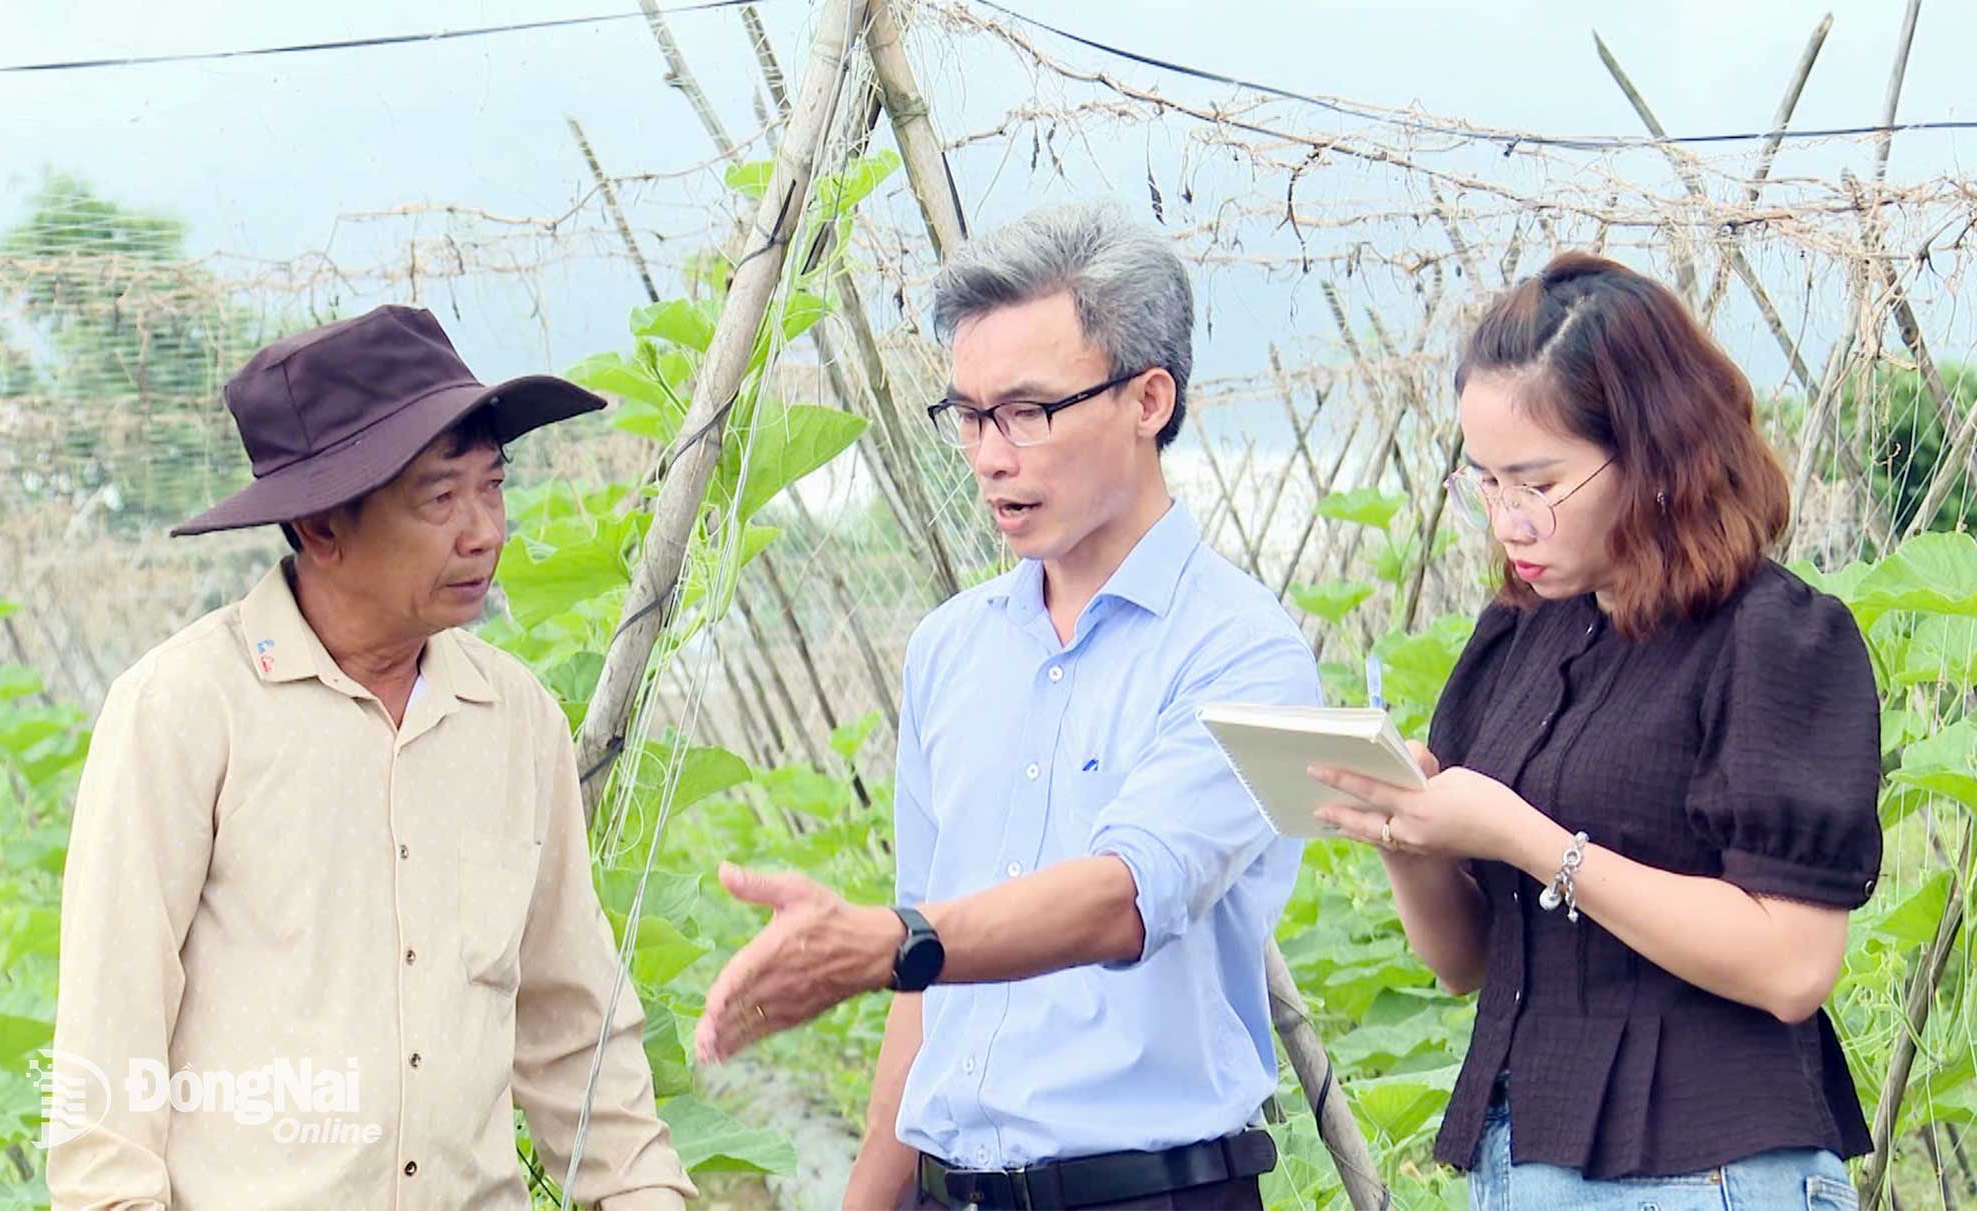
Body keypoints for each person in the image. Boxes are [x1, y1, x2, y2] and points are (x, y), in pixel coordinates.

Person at [688, 202, 1314, 1210]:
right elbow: (926, 976)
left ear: (1147, 397)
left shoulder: (1242, 652)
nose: (988, 453)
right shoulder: (952, 647)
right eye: (970, 415)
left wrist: (890, 942)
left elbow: (1124, 895)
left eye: (1026, 412)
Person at [50, 306, 695, 1210]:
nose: (484, 531)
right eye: (440, 498)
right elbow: (105, 1074)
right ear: (321, 526)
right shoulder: (183, 713)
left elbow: (571, 1024)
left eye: (492, 486)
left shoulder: (516, 721)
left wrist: (645, 1193)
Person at [1311, 253, 1881, 1209]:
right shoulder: (1519, 635)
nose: (1508, 522)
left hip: (1710, 1167)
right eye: (1485, 483)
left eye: (1537, 483)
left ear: (1657, 453)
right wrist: (1404, 832)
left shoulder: (1772, 637)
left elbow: (1792, 966)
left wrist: (1526, 839)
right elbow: (1468, 963)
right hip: (1521, 1151)